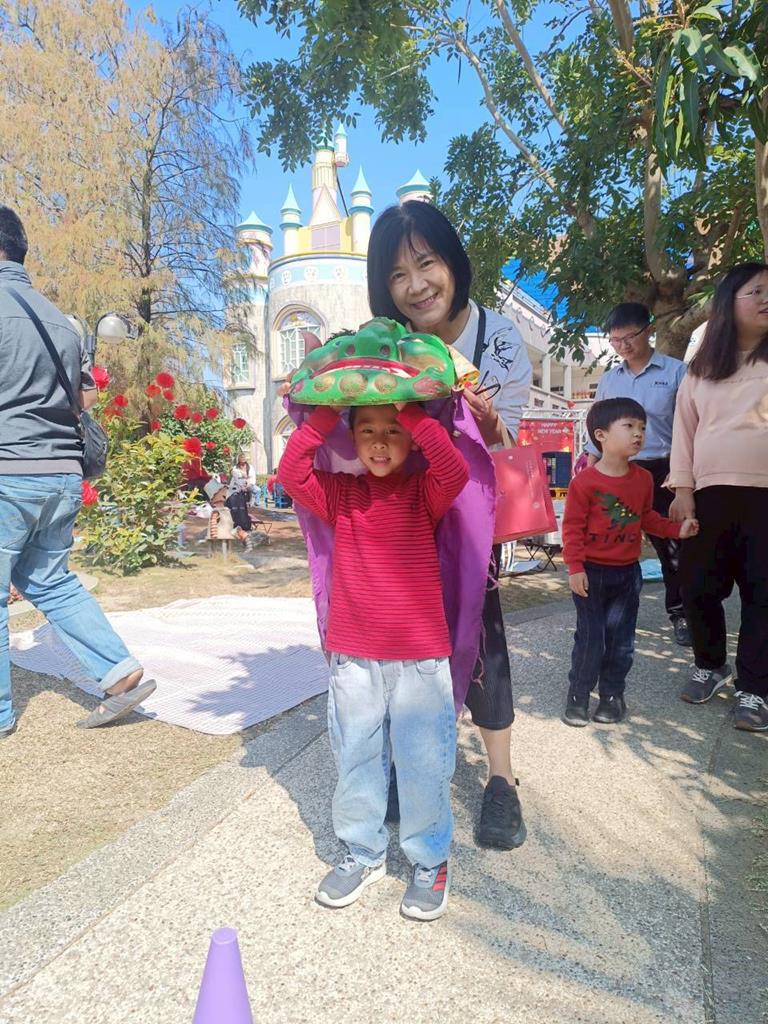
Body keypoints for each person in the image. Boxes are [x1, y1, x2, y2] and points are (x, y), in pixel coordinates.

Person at [367, 200, 532, 851]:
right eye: (397, 274)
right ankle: (404, 763)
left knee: (482, 636)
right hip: (404, 521)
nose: (416, 285)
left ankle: (501, 780)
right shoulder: (383, 344)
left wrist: (489, 425)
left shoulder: (499, 340)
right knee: (402, 645)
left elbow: (509, 446)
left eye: (426, 263)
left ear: (453, 263)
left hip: (470, 518)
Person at [278, 400, 468, 920]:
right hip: (354, 655)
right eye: (367, 431)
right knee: (356, 756)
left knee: (424, 762)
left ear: (410, 438)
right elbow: (291, 474)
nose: (380, 442)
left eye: (393, 431)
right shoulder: (342, 494)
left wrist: (413, 414)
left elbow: (455, 470)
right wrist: (326, 414)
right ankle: (362, 852)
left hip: (420, 655)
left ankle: (430, 859)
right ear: (352, 438)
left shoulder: (423, 491)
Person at [0, 206, 156, 736]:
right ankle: (119, 672)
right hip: (61, 472)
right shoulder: (59, 322)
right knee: (50, 579)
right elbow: (81, 399)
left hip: (9, 468)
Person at [668, 262, 768, 731]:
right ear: (729, 302)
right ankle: (710, 664)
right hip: (709, 496)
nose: (767, 299)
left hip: (764, 497)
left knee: (762, 593)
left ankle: (755, 689)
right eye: (758, 291)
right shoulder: (701, 369)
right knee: (697, 586)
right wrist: (683, 491)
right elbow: (684, 433)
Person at [562, 398, 698, 726]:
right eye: (629, 426)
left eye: (642, 428)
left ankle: (612, 696)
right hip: (591, 574)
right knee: (591, 638)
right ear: (601, 435)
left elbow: (647, 518)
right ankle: (579, 694)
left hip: (626, 575)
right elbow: (572, 528)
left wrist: (676, 530)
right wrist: (575, 568)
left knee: (621, 641)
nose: (638, 433)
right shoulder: (585, 482)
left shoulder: (643, 479)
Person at [585, 303, 690, 646]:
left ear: (649, 330)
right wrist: (589, 468)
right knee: (608, 541)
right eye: (615, 340)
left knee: (672, 546)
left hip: (663, 471)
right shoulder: (610, 379)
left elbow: (690, 426)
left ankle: (682, 613)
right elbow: (596, 428)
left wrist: (683, 479)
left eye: (630, 337)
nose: (623, 346)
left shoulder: (677, 373)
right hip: (615, 471)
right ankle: (607, 613)